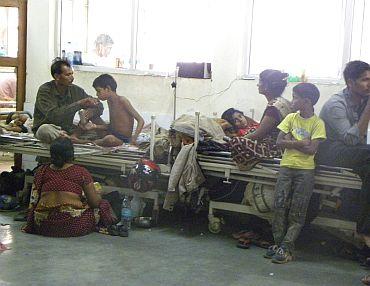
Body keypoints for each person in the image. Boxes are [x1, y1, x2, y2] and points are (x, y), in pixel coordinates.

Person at [315, 60, 370, 279]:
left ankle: (365, 233)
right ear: (350, 82)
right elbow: (350, 140)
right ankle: (365, 232)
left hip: (357, 153)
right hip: (330, 151)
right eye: (365, 80)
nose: (369, 84)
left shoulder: (363, 98)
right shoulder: (335, 104)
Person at [264, 82, 326, 263]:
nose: (291, 101)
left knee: (297, 210)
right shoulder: (291, 117)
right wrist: (299, 143)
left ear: (306, 101)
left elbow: (312, 150)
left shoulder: (317, 123)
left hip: (305, 171)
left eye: (295, 98)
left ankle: (287, 247)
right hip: (286, 167)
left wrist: (290, 141)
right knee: (279, 205)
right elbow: (278, 142)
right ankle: (278, 243)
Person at [22, 137, 117, 237]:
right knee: (103, 206)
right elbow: (94, 203)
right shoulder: (81, 172)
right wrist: (99, 195)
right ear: (71, 153)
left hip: (43, 225)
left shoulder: (42, 171)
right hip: (72, 225)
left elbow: (34, 200)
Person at [229, 69, 292, 169]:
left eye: (260, 82)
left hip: (275, 148)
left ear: (267, 86)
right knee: (250, 130)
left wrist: (241, 139)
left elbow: (258, 134)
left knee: (235, 142)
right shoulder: (284, 102)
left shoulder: (273, 108)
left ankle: (248, 162)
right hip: (282, 145)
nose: (258, 85)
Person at [32, 59, 105, 144]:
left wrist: (91, 112)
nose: (72, 78)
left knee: (98, 130)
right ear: (57, 76)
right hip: (50, 128)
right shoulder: (45, 90)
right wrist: (79, 104)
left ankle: (70, 138)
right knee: (44, 130)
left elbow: (99, 105)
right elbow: (53, 116)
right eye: (68, 75)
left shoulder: (75, 90)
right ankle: (72, 140)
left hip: (67, 130)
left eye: (72, 74)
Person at [82, 74, 144, 147]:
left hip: (122, 138)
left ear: (108, 88)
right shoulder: (109, 101)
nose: (97, 94)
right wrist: (94, 126)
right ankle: (94, 140)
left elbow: (141, 120)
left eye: (99, 91)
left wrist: (134, 138)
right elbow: (112, 125)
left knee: (109, 139)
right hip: (111, 133)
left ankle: (91, 142)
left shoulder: (122, 100)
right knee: (92, 115)